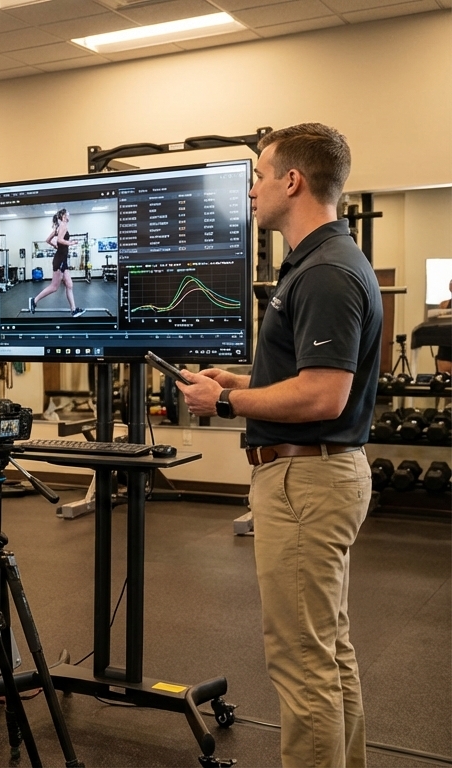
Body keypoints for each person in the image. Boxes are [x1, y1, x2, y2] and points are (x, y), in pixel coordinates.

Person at [177, 123, 380, 768]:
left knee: (302, 662)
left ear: (292, 182)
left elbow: (323, 396)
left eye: (259, 177)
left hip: (305, 483)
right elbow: (306, 378)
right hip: (315, 475)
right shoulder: (321, 262)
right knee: (327, 650)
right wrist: (240, 382)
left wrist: (226, 403)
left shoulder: (326, 273)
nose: (251, 191)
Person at [29, 209, 82, 317]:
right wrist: (71, 243)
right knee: (54, 287)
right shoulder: (63, 225)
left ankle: (73, 309)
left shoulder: (58, 227)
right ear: (63, 216)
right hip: (60, 260)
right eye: (67, 214)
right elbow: (60, 240)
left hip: (62, 259)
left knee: (69, 284)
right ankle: (34, 300)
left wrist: (56, 246)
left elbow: (48, 240)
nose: (69, 215)